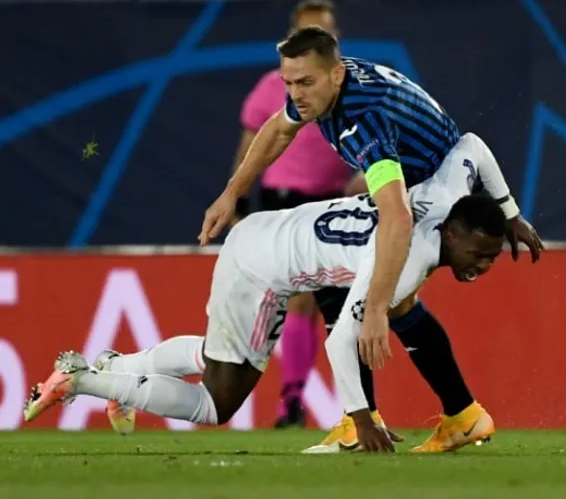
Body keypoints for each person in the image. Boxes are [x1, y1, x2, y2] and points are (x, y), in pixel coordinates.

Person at [24, 133, 530, 453]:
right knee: (216, 404)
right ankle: (83, 380)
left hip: (265, 234)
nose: (484, 265)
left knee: (217, 355)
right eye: (479, 254)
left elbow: (471, 146)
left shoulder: (446, 196)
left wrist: (511, 215)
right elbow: (341, 341)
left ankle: (118, 365)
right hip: (263, 271)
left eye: (492, 255)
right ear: (452, 235)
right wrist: (363, 420)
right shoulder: (399, 263)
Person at [198, 26, 544, 452]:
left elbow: (396, 216)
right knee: (372, 292)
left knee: (361, 290)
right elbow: (279, 130)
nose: (295, 93)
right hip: (432, 184)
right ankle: (460, 414)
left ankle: (371, 419)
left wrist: (375, 309)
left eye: (303, 82)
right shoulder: (329, 83)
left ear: (334, 74)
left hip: (418, 203)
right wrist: (232, 194)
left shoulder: (361, 122)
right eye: (289, 83)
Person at [231, 0, 365, 429]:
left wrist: (366, 178)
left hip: (332, 201)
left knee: (318, 300)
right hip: (282, 200)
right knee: (300, 298)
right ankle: (292, 396)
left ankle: (295, 397)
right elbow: (253, 143)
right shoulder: (272, 86)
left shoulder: (347, 86)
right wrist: (236, 199)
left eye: (322, 32)